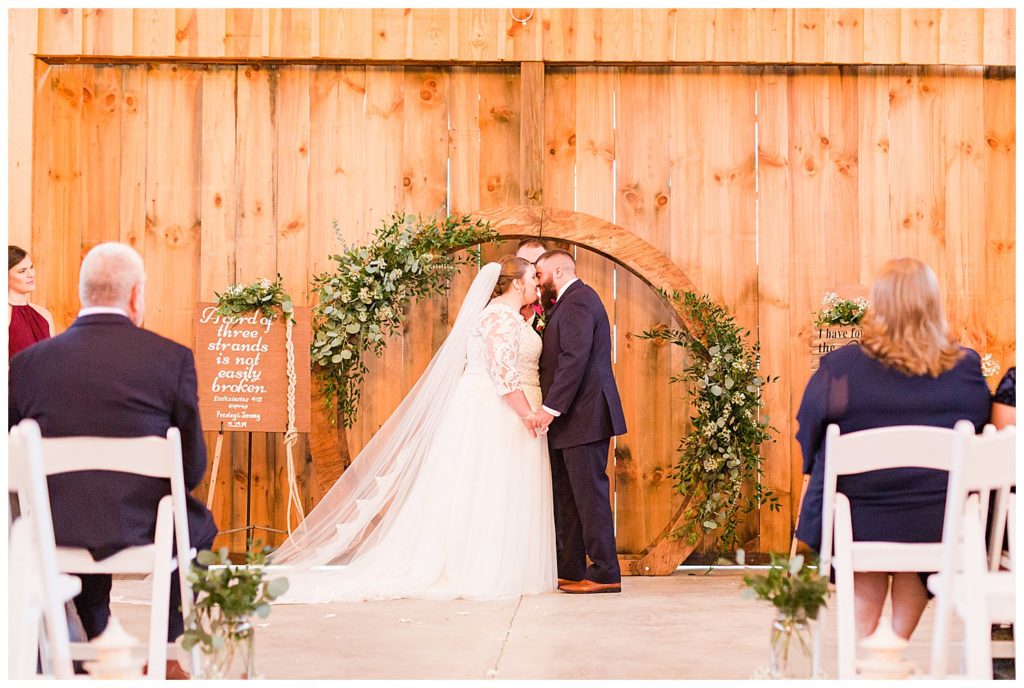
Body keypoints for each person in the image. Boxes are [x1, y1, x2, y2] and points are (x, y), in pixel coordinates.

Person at [270, 256, 556, 601]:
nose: (536, 287)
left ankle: (499, 562)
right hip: (494, 409)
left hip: (493, 405)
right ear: (516, 282)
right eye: (531, 280)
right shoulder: (499, 317)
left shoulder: (506, 316)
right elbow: (502, 373)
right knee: (488, 483)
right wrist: (528, 415)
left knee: (489, 484)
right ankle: (482, 567)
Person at [8, 242, 218, 679]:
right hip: (141, 524)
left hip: (54, 527)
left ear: (84, 295)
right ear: (137, 295)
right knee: (196, 523)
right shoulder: (171, 360)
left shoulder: (28, 365)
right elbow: (191, 468)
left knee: (73, 503)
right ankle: (171, 649)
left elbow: (12, 464)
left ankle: (83, 641)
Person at [793, 257, 990, 641]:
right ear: (933, 305)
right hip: (938, 524)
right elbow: (979, 430)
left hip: (860, 525)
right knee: (921, 520)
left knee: (858, 514)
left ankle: (868, 648)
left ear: (878, 305)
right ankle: (895, 644)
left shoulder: (842, 367)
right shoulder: (965, 368)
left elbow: (811, 430)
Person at [527, 249, 627, 594]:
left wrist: (549, 409)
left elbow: (574, 360)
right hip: (572, 420)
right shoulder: (567, 303)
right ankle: (569, 567)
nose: (538, 284)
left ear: (558, 270)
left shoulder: (579, 300)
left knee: (591, 496)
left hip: (585, 415)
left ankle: (605, 572)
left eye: (539, 275)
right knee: (568, 498)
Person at [9, 245, 56, 359]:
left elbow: (53, 358)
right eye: (22, 271)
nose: (31, 274)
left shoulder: (44, 314)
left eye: (31, 267)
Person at [515, 239, 548, 330]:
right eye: (524, 263)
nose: (532, 269)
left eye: (536, 263)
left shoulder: (555, 294)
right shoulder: (507, 293)